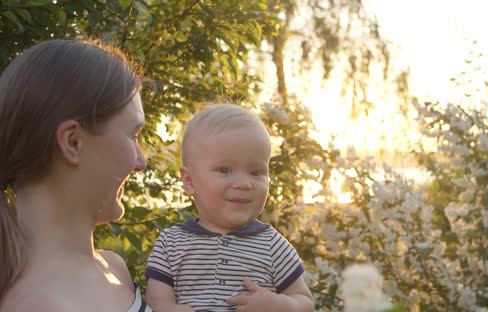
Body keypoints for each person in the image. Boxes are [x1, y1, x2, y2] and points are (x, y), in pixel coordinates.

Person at [0, 39, 152, 312]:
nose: (141, 161)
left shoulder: (115, 268)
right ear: (72, 142)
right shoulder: (36, 305)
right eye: (133, 134)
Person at [145, 104, 314, 311]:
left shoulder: (272, 246)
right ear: (189, 181)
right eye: (224, 170)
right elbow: (156, 302)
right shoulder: (171, 244)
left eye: (256, 172)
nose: (244, 183)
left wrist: (279, 305)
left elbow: (305, 302)